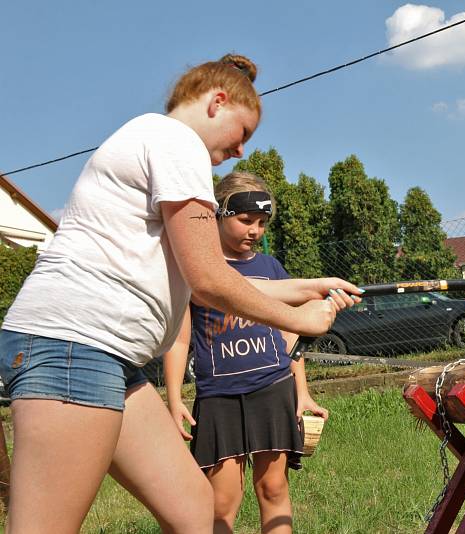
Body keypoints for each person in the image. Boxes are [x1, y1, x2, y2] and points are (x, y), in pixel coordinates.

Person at [0, 54, 360, 534]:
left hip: (111, 358)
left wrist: (309, 286)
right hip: (73, 347)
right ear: (218, 102)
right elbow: (211, 281)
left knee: (193, 509)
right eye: (243, 133)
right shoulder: (176, 142)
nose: (239, 151)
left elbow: (205, 277)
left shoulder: (155, 140)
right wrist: (300, 319)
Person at [164, 171, 328, 534]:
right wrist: (173, 399)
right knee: (221, 502)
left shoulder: (271, 269)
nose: (254, 230)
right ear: (219, 214)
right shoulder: (199, 270)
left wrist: (301, 393)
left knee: (273, 488)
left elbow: (290, 334)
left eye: (262, 222)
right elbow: (178, 340)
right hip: (218, 397)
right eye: (245, 220)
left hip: (272, 390)